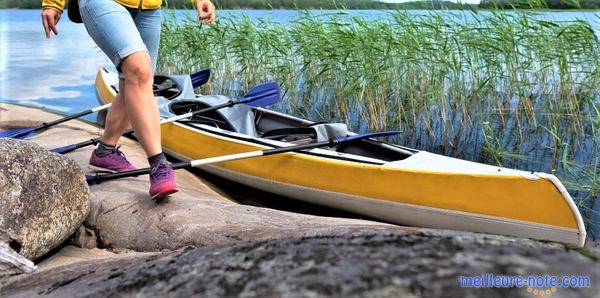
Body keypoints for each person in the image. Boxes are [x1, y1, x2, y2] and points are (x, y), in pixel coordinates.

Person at [40, 0, 216, 200]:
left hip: (149, 8)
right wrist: (53, 3)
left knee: (135, 81)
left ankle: (105, 151)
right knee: (139, 70)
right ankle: (159, 164)